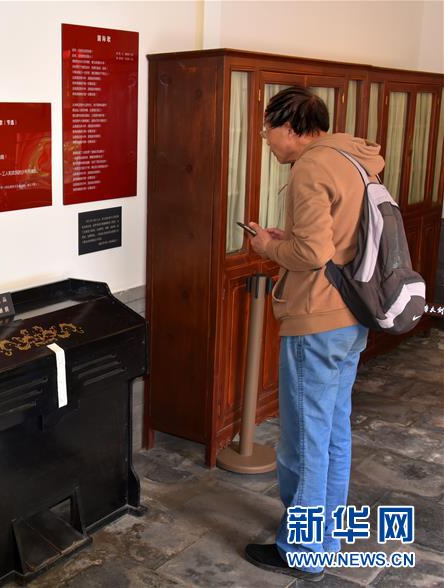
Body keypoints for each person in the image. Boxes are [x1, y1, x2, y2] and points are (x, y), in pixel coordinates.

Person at [243, 87, 382, 582]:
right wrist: (292, 240)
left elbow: (312, 254)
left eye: (267, 129)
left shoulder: (310, 167)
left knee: (303, 441)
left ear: (291, 127)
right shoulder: (352, 158)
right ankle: (327, 537)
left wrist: (267, 247)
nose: (265, 139)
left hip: (317, 319)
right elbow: (335, 240)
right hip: (352, 314)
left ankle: (303, 551)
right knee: (333, 432)